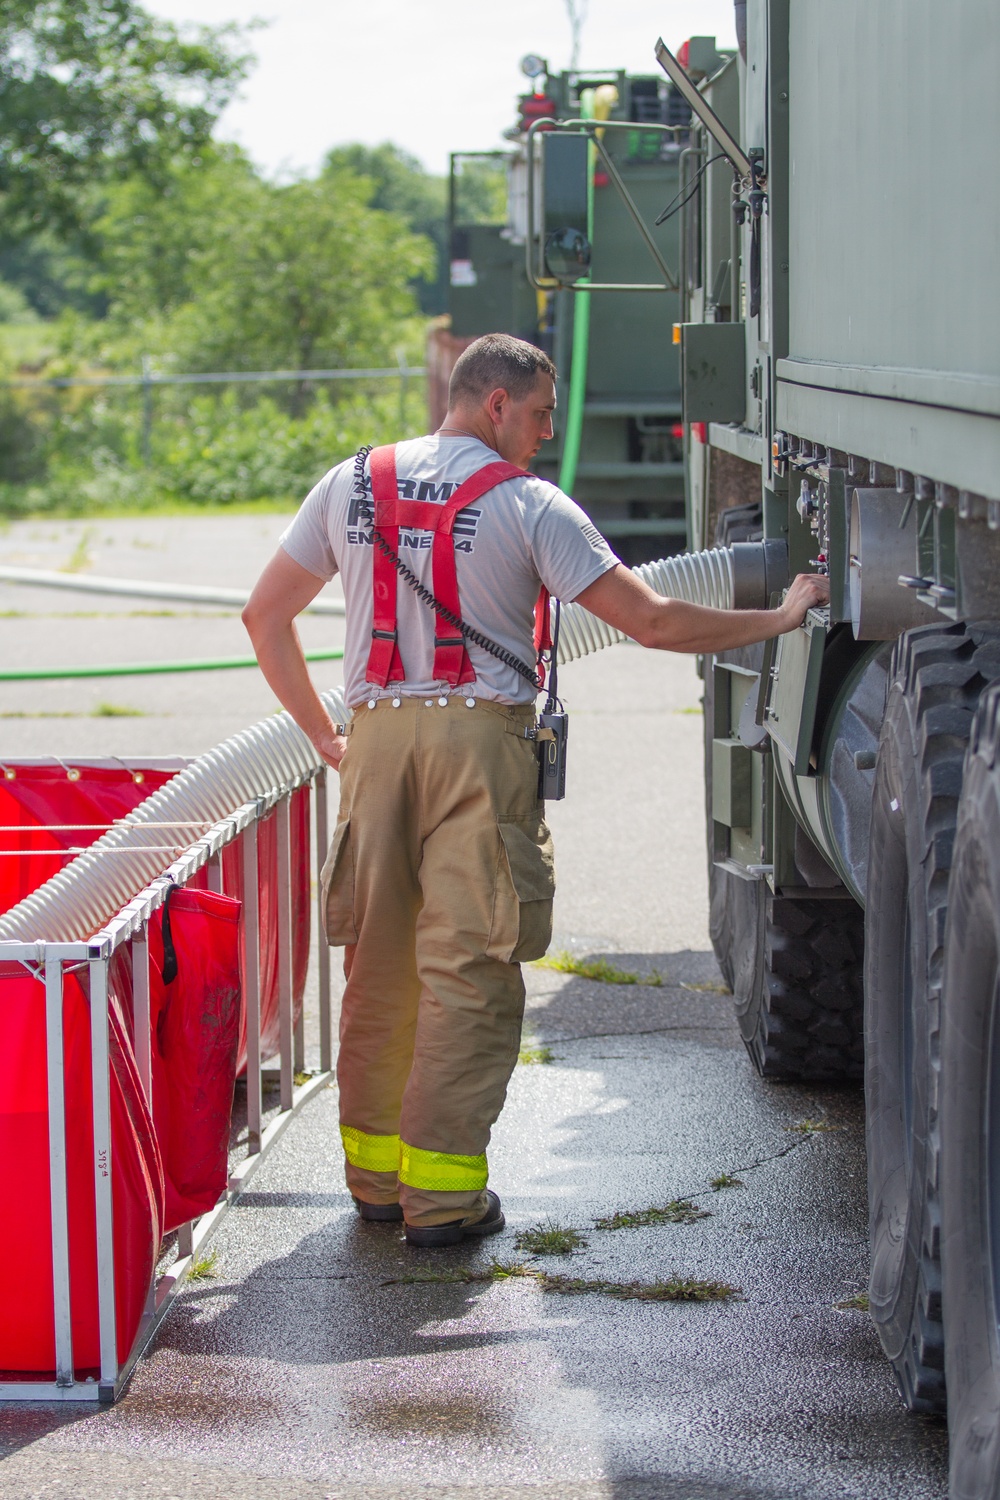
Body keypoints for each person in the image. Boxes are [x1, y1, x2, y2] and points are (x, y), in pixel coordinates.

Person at [242, 332, 829, 1248]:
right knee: (470, 971)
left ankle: (376, 1184)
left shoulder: (349, 483)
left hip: (377, 746)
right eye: (543, 412)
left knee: (380, 968)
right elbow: (652, 617)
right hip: (480, 746)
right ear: (496, 405)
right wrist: (782, 615)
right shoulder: (528, 504)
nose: (550, 432)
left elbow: (264, 614)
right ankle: (443, 1203)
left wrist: (326, 735)